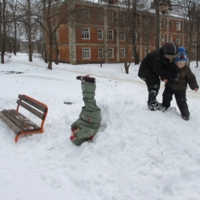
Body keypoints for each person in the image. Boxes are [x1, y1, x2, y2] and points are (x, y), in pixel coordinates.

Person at [138, 42, 180, 111]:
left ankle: (153, 101)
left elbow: (165, 66)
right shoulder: (157, 57)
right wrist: (171, 74)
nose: (171, 58)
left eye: (173, 57)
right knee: (154, 85)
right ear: (165, 53)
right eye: (170, 57)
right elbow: (159, 71)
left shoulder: (164, 55)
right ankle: (152, 104)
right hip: (145, 71)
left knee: (155, 84)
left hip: (151, 70)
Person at [161, 47, 199, 121]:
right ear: (175, 61)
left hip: (180, 89)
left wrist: (194, 86)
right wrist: (163, 78)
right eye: (180, 63)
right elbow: (165, 72)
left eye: (184, 63)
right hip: (169, 87)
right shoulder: (171, 66)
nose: (182, 65)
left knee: (182, 102)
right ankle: (164, 107)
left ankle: (185, 114)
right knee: (166, 97)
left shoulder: (186, 70)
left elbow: (191, 78)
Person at [70, 75, 101, 146]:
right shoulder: (89, 131)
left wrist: (73, 127)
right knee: (89, 100)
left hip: (87, 115)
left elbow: (77, 122)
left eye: (75, 131)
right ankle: (90, 83)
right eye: (76, 132)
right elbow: (88, 131)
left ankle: (84, 82)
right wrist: (76, 136)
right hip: (93, 118)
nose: (75, 131)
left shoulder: (79, 125)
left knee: (86, 99)